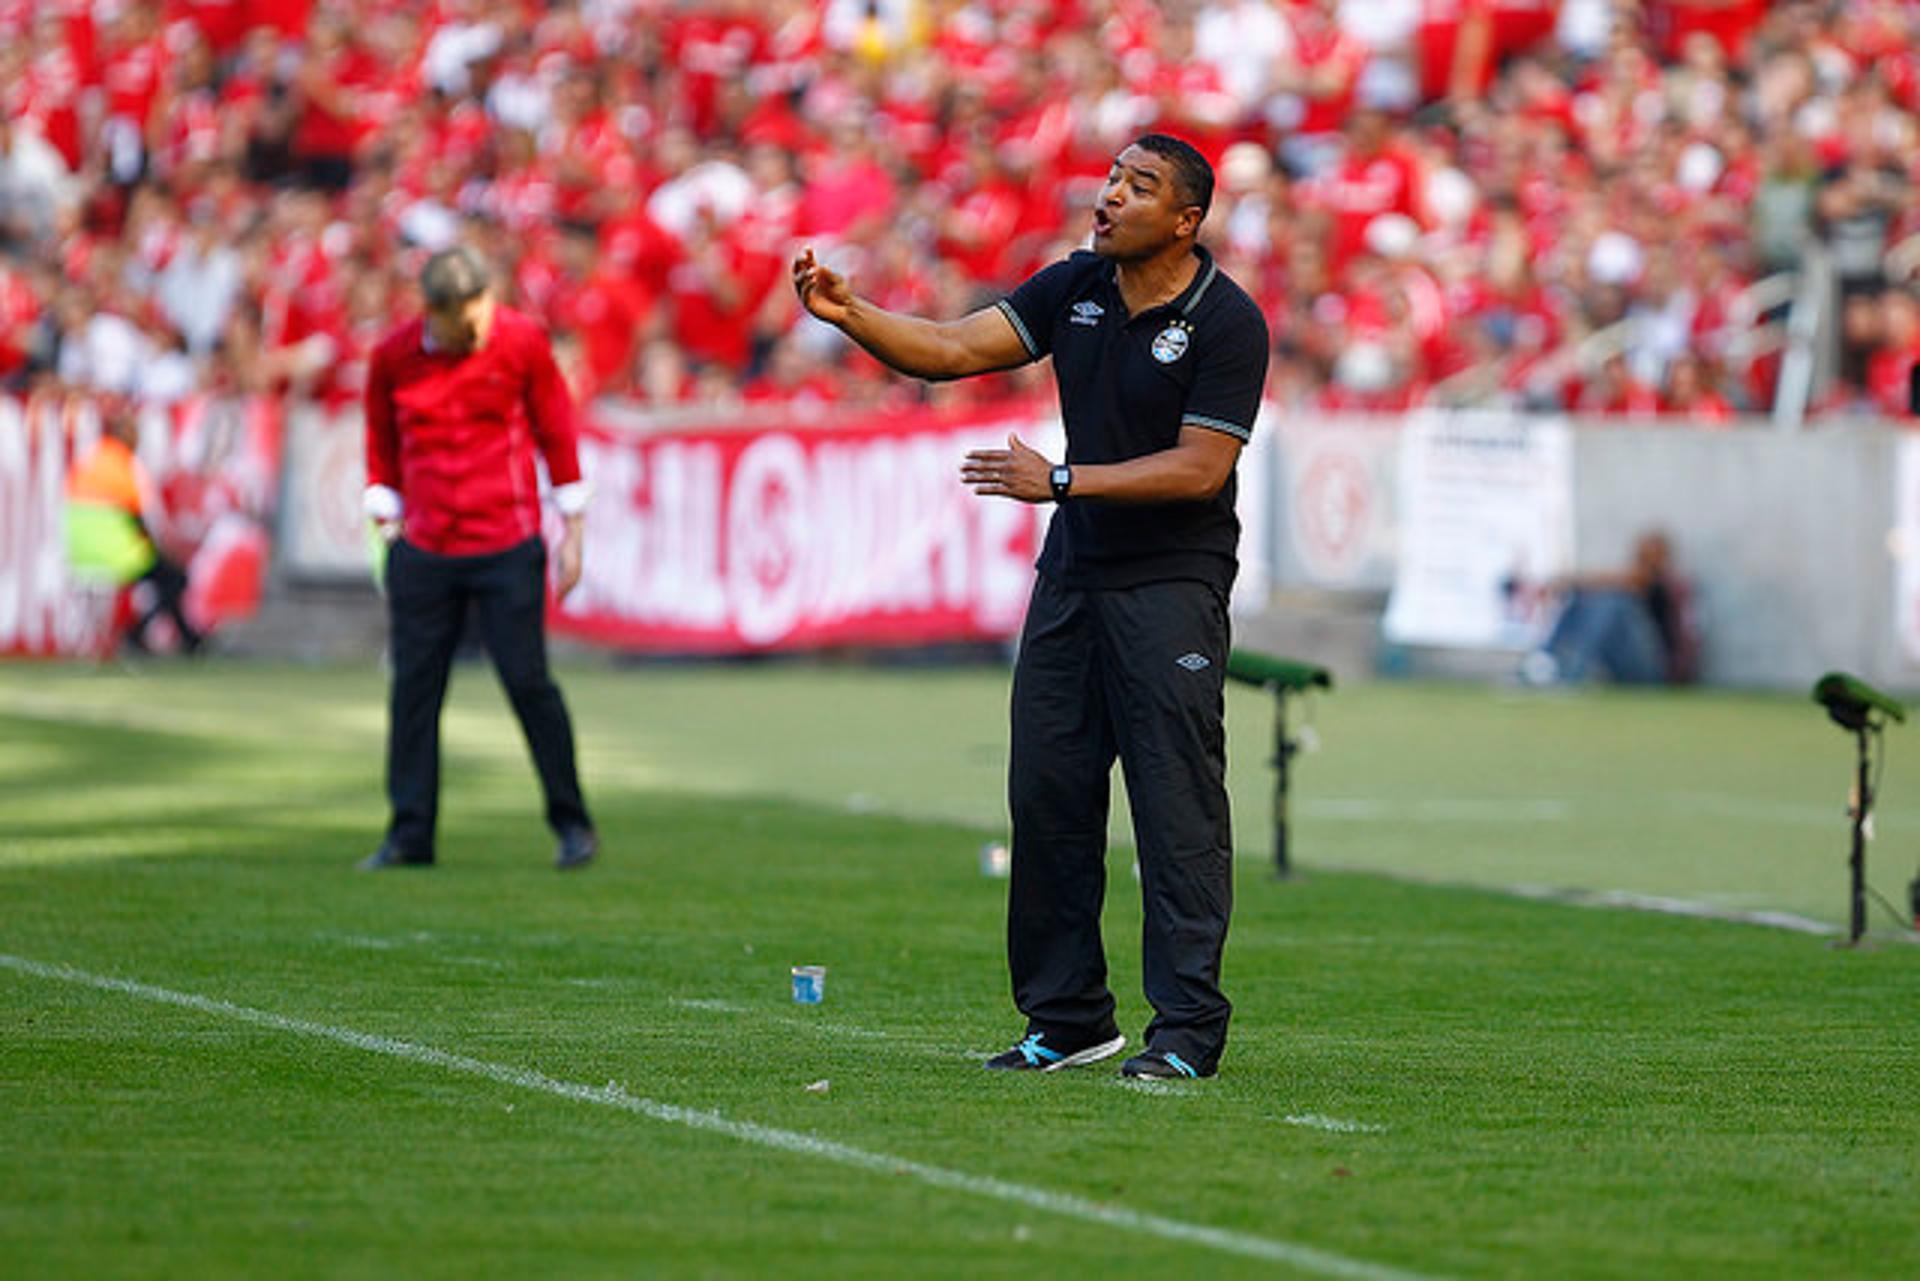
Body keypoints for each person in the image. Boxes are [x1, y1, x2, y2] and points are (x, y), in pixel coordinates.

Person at [794, 134, 1269, 1080]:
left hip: (1172, 585)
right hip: (1073, 581)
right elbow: (948, 349)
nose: (1110, 196)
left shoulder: (1228, 322)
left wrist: (1058, 478)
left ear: (1186, 220)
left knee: (1175, 808)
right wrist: (853, 314)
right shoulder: (1077, 287)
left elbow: (1199, 467)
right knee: (1048, 798)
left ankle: (1185, 1032)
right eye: (1110, 178)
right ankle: (1069, 1016)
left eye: (1139, 188)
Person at [360, 246, 599, 872]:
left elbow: (556, 429)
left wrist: (573, 527)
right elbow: (381, 442)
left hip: (505, 542)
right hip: (426, 545)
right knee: (415, 690)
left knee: (527, 682)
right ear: (431, 311)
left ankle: (572, 823)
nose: (479, 326)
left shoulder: (520, 341)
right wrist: (388, 524)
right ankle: (410, 833)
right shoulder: (392, 357)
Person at [64, 400, 205, 655]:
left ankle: (179, 638)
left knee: (164, 576)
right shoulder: (128, 465)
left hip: (77, 551)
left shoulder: (88, 459)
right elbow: (145, 521)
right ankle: (144, 631)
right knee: (174, 577)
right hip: (115, 553)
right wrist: (163, 552)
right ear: (124, 434)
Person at [1523, 531, 1694, 685]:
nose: (1644, 560)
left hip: (1655, 670)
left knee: (1615, 603)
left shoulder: (1663, 582)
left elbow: (1628, 580)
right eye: (1642, 555)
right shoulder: (1632, 579)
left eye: (1651, 555)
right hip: (1622, 664)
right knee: (1581, 599)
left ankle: (1572, 675)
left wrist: (1565, 580)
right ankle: (1545, 660)